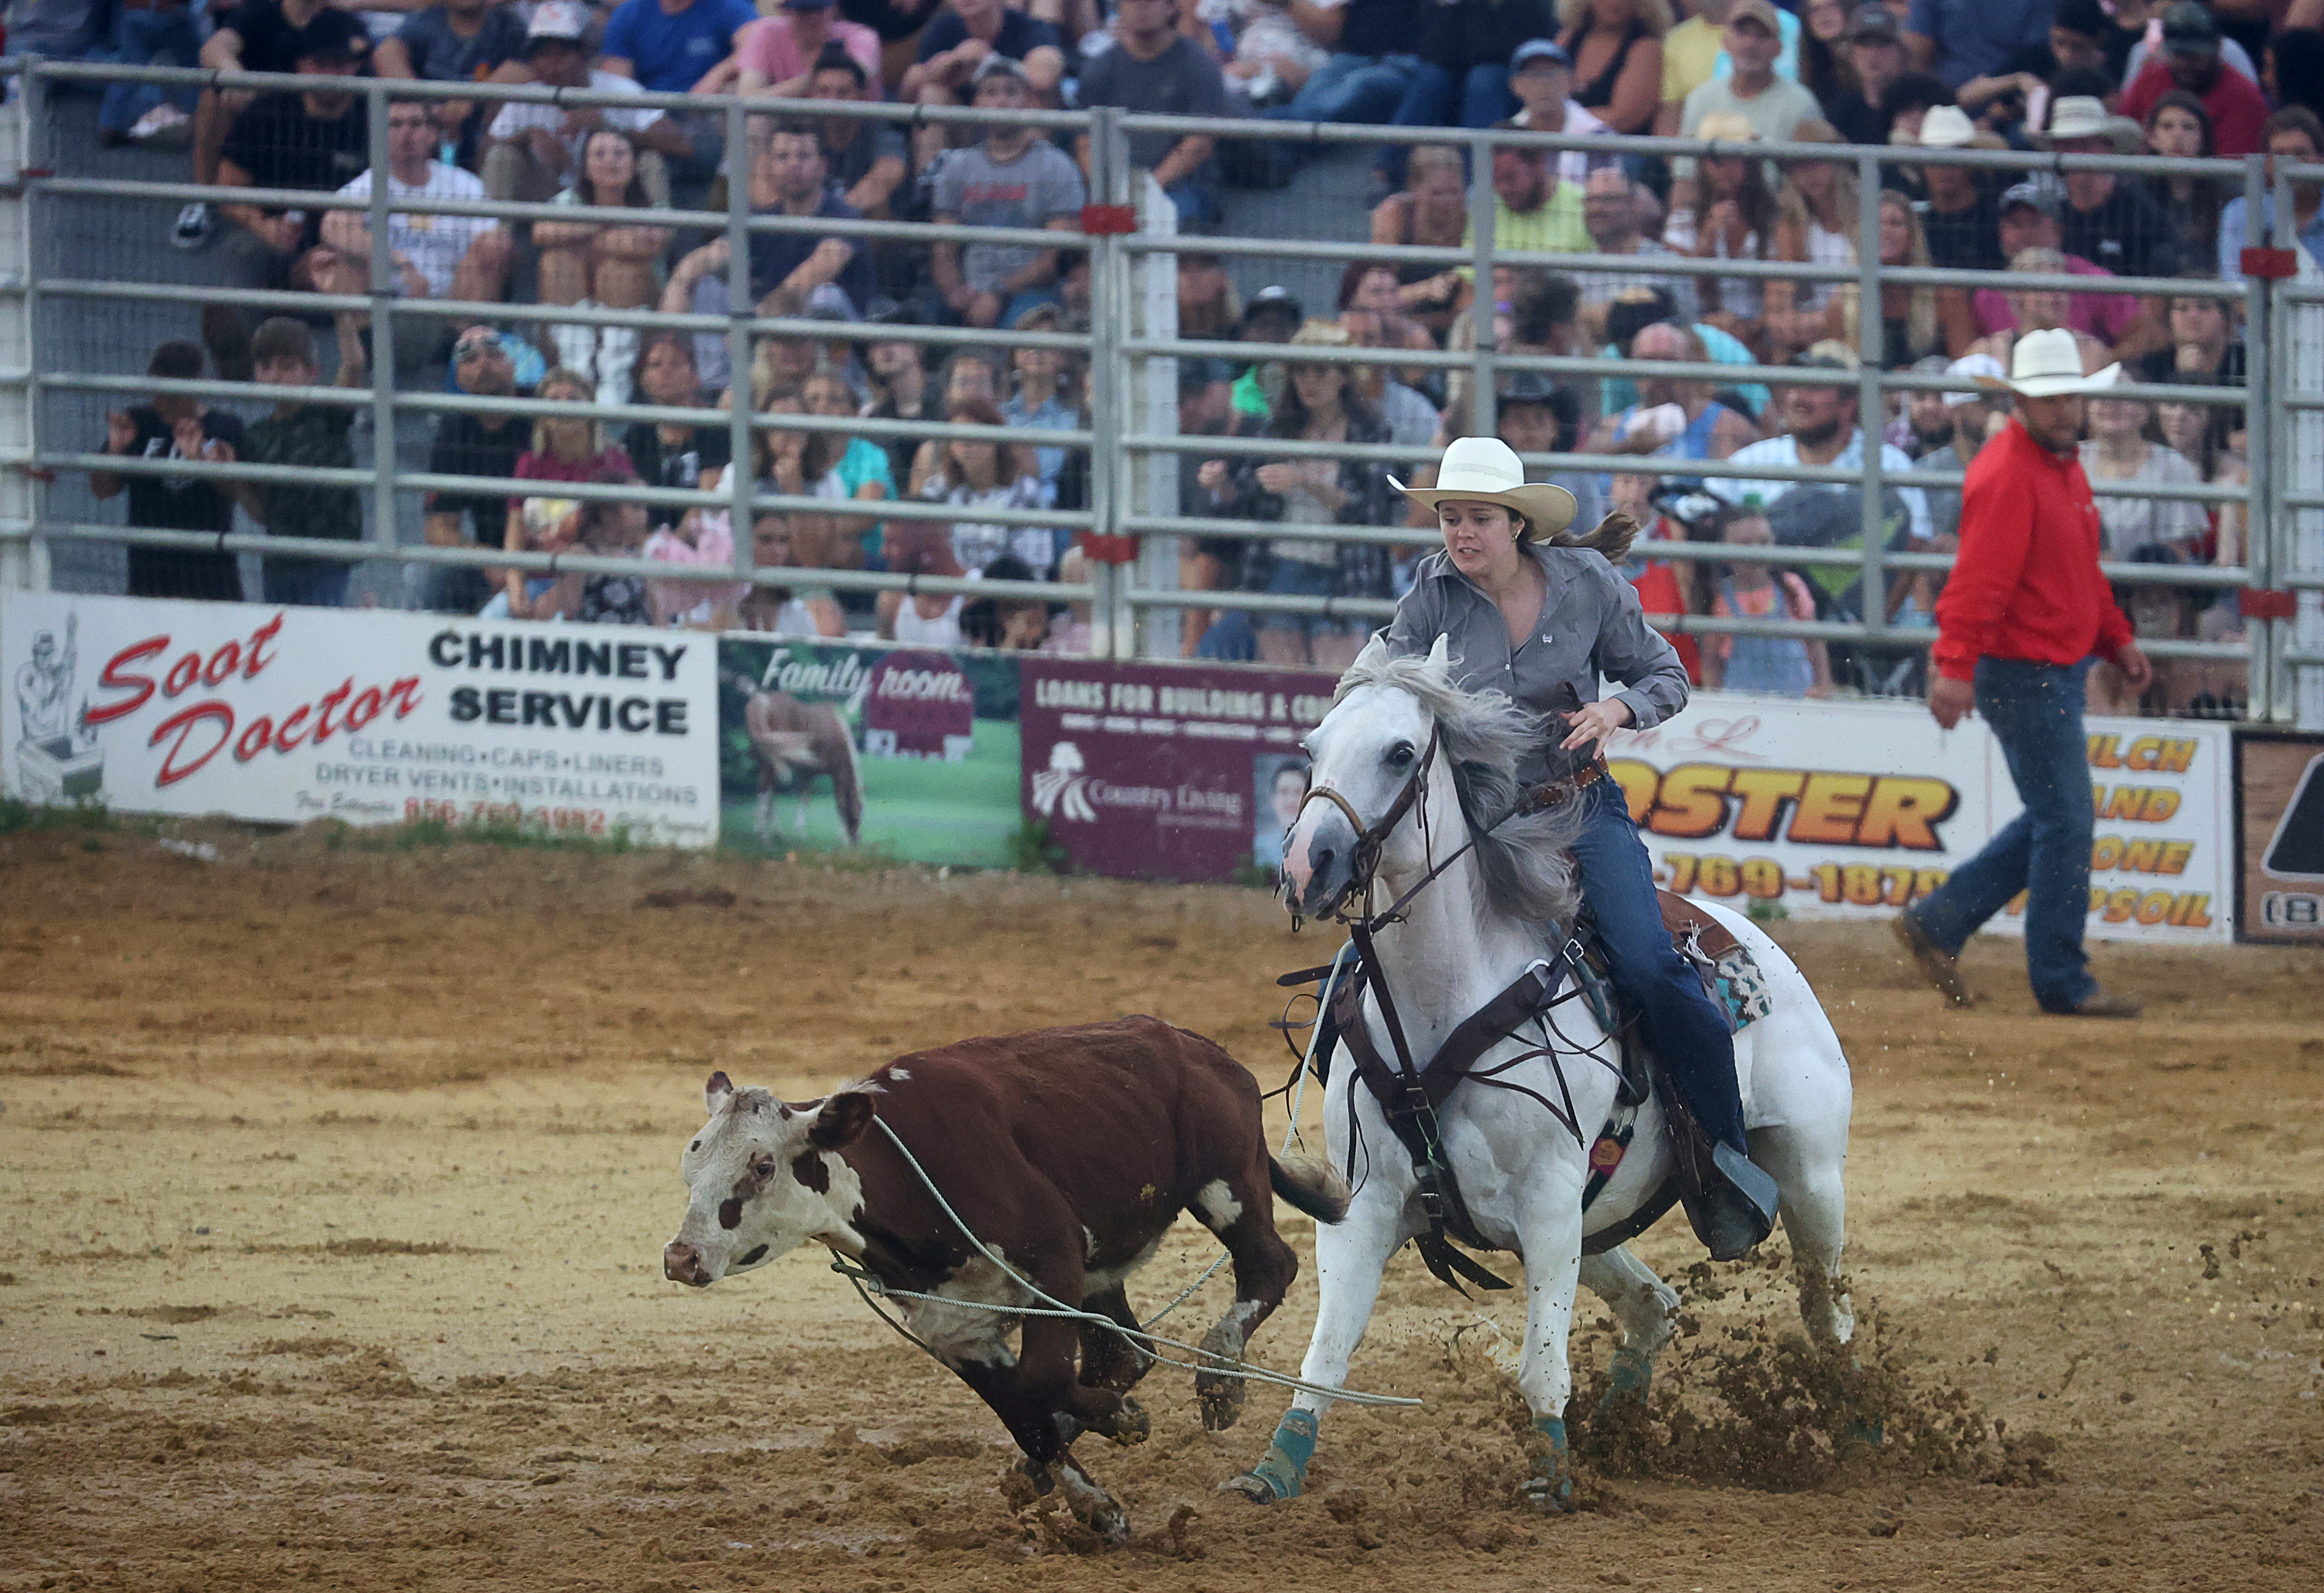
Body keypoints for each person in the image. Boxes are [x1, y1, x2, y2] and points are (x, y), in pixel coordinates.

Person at [1383, 433, 1781, 1259]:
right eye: (1451, 517)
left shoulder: (1589, 585)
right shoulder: (1430, 593)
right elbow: (1391, 689)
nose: (1460, 532)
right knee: (1389, 959)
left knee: (1648, 962)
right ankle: (1386, 1143)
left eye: (1478, 517)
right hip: (1480, 823)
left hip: (1577, 812)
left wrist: (1619, 710)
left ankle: (1721, 1153)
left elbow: (1667, 675)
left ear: (1516, 524)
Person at [1894, 328, 2147, 1020]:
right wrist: (1953, 666)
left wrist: (2114, 636)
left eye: (2068, 394)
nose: (2063, 407)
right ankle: (2059, 978)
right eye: (2049, 396)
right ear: (2020, 400)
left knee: (2054, 816)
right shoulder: (2016, 471)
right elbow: (1979, 583)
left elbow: (2074, 571)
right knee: (2065, 819)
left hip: (2039, 667)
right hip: (2027, 669)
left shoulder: (2044, 464)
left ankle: (1942, 918)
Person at [1198, 320, 1395, 670]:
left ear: (1344, 376)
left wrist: (1305, 482)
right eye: (1300, 371)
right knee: (1286, 686)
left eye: (1320, 371)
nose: (1308, 382)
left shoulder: (1370, 433)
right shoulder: (1278, 431)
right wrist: (1222, 485)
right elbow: (1245, 498)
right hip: (1278, 569)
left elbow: (1371, 511)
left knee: (1338, 686)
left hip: (1344, 575)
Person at [201, 13, 373, 382]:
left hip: (347, 249)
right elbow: (226, 189)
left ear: (356, 68)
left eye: (340, 64)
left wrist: (342, 247)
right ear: (301, 65)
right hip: (277, 243)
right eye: (320, 63)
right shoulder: (268, 112)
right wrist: (262, 224)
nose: (330, 73)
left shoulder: (374, 119)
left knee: (357, 265)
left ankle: (365, 374)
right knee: (241, 250)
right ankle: (243, 361)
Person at [315, 100, 516, 376]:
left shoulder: (463, 184)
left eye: (416, 124)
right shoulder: (370, 183)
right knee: (338, 264)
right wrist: (398, 261)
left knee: (494, 247)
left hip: (449, 307)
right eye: (395, 125)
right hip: (385, 305)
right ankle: (369, 366)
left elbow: (497, 241)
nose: (406, 133)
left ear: (433, 135)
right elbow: (332, 226)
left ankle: (451, 361)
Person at [662, 121, 876, 321]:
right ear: (770, 167)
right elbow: (714, 254)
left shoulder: (844, 217)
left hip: (837, 350)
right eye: (783, 157)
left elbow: (810, 277)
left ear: (822, 166)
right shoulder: (764, 220)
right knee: (706, 287)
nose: (793, 165)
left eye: (803, 156)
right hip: (771, 333)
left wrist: (757, 325)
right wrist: (678, 284)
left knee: (825, 296)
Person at [930, 57, 1088, 329]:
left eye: (1011, 92)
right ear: (977, 104)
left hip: (1030, 290)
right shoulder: (957, 166)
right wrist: (955, 293)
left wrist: (998, 292)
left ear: (1027, 101)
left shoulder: (1057, 165)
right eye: (991, 93)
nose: (1001, 101)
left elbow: (1053, 260)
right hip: (968, 288)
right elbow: (943, 249)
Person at [224, 315, 368, 609]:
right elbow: (262, 513)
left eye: (287, 367)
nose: (275, 376)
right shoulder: (256, 437)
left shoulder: (328, 414)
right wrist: (233, 478)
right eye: (266, 368)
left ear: (312, 372)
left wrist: (339, 310)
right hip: (279, 562)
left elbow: (354, 365)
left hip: (328, 560)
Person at [2079, 386, 2207, 714]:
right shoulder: (2068, 462)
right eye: (2101, 396)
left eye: (2123, 396)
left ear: (2144, 410)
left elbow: (2175, 557)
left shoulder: (2172, 466)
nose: (2111, 404)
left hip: (2148, 598)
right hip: (2081, 600)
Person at [482, 4, 687, 206]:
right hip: (544, 195)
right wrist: (526, 137)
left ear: (583, 53)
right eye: (543, 54)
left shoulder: (618, 90)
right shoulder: (526, 96)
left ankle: (658, 233)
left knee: (649, 159)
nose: (552, 63)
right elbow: (482, 155)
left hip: (606, 197)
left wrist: (609, 128)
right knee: (502, 156)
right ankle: (499, 237)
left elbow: (682, 146)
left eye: (561, 53)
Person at [91, 341, 249, 602]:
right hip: (148, 581)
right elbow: (102, 490)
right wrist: (116, 450)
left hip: (212, 582)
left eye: (170, 393)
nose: (160, 402)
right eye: (157, 390)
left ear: (194, 387)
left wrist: (202, 462)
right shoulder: (139, 423)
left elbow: (239, 492)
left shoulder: (224, 427)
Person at [529, 128, 674, 407]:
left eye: (620, 154)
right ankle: (577, 374)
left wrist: (582, 234)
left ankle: (614, 385)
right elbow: (541, 232)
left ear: (634, 164)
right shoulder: (569, 201)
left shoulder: (656, 208)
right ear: (584, 166)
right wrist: (607, 226)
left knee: (617, 270)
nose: (611, 161)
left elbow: (644, 245)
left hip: (639, 330)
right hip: (572, 325)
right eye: (600, 154)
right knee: (556, 262)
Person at [178, 0, 335, 250]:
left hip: (318, 119)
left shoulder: (336, 19)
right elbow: (214, 48)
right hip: (261, 115)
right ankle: (203, 200)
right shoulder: (259, 12)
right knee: (213, 94)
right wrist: (234, 75)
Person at [1075, 0, 1237, 226]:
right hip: (1114, 183)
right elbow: (1085, 141)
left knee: (1165, 222)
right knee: (1081, 229)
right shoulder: (1100, 68)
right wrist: (1109, 190)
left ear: (1171, 8)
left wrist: (1146, 190)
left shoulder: (1199, 65)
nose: (1140, 6)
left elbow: (1200, 144)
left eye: (1151, 1)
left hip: (1181, 183)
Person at [1378, 0, 1558, 187]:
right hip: (1461, 75)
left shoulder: (1530, 6)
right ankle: (1387, 169)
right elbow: (1434, 52)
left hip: (1512, 83)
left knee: (1483, 79)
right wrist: (1451, 10)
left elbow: (1511, 51)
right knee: (1431, 78)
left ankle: (1473, 182)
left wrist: (1474, 47)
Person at [503, 367, 635, 619]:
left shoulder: (614, 464)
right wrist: (515, 586)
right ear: (542, 416)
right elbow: (515, 535)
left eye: (574, 399)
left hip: (597, 585)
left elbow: (629, 537)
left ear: (591, 411)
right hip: (538, 581)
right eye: (553, 400)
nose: (564, 407)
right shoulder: (529, 464)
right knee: (491, 622)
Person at [421, 327, 530, 614]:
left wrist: (519, 566)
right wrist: (484, 559)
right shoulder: (455, 431)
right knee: (431, 580)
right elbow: (437, 529)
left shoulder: (546, 411)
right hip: (492, 561)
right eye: (470, 359)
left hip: (555, 555)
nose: (483, 363)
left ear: (513, 364)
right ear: (458, 378)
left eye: (493, 353)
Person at [1672, 0, 1817, 213]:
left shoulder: (1801, 104)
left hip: (1778, 214)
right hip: (1710, 210)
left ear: (1778, 48)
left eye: (1762, 36)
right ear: (1725, 41)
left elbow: (1810, 182)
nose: (1750, 44)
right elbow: (1685, 177)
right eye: (1742, 33)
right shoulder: (1700, 99)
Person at [902, 0, 1067, 171]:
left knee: (1036, 99)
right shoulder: (944, 26)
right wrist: (953, 60)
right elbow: (908, 88)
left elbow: (1045, 75)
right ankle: (931, 186)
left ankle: (1030, 182)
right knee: (931, 94)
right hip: (968, 132)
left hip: (1015, 129)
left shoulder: (1027, 27)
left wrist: (987, 61)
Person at [1664, 111, 1777, 349]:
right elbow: (1682, 294)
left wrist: (1752, 327)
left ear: (1751, 161)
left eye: (1735, 157)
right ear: (1703, 164)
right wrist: (1708, 240)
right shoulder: (1683, 220)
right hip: (1702, 334)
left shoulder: (1777, 219)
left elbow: (1783, 292)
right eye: (1715, 160)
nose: (1724, 168)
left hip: (1766, 334)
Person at [374, 0, 531, 170]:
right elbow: (387, 52)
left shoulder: (507, 25)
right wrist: (423, 105)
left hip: (483, 133)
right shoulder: (428, 19)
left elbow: (526, 67)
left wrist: (471, 98)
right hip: (430, 131)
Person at [1702, 503, 1832, 697]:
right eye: (1744, 544)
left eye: (1764, 543)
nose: (1756, 552)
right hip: (1741, 704)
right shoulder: (1722, 597)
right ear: (1725, 553)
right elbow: (1711, 659)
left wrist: (1823, 686)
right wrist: (1714, 697)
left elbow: (1814, 643)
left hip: (1796, 697)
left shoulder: (1791, 587)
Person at [919, 396, 1048, 576]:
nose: (965, 445)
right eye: (957, 438)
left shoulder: (1026, 493)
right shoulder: (937, 492)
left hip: (1006, 595)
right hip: (951, 594)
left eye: (974, 436)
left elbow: (1034, 566)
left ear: (996, 440)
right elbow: (922, 555)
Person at [2120, 3, 2268, 159]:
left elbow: (2234, 172)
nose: (2186, 64)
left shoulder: (2243, 96)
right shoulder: (2150, 79)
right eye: (2179, 55)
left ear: (2217, 47)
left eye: (2195, 56)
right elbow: (2126, 140)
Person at [623, 332, 733, 538]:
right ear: (644, 380)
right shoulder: (637, 436)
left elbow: (708, 497)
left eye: (676, 363)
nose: (666, 371)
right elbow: (633, 506)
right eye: (656, 365)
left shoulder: (714, 427)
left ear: (695, 377)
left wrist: (673, 550)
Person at [1573, 165, 1697, 340]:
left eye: (1608, 200)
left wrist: (1598, 317)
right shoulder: (1575, 269)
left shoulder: (1669, 266)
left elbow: (1690, 333)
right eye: (1590, 201)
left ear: (1634, 205)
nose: (1597, 209)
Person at [2217, 108, 2324, 284]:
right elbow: (2238, 288)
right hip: (2265, 311)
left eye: (2300, 154)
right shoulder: (2243, 212)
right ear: (2266, 163)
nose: (2290, 165)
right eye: (2280, 155)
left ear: (2320, 158)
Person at [1557, 0, 1668, 136]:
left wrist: (1556, 118)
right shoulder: (1567, 40)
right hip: (1560, 145)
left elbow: (1624, 119)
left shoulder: (1647, 48)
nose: (1615, 3)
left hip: (1620, 149)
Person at [2143, 91, 2223, 276]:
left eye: (2188, 127)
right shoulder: (2138, 194)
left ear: (2203, 139)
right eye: (2167, 127)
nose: (2178, 135)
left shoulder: (2224, 194)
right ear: (2152, 138)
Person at [732, 0, 883, 96]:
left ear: (833, 8)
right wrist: (815, 77)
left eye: (819, 9)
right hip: (785, 128)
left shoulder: (861, 37)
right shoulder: (766, 31)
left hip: (848, 133)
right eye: (804, 10)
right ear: (785, 10)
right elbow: (747, 98)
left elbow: (854, 79)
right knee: (754, 119)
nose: (812, 18)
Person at [1904, 0, 2052, 93]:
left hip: (2009, 108)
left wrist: (1997, 114)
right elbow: (1916, 59)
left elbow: (2038, 58)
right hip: (1945, 110)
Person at [1823, 6, 1909, 148]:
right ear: (1850, 52)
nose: (1873, 53)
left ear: (1900, 52)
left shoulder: (1918, 101)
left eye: (1883, 43)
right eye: (1864, 43)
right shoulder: (1840, 108)